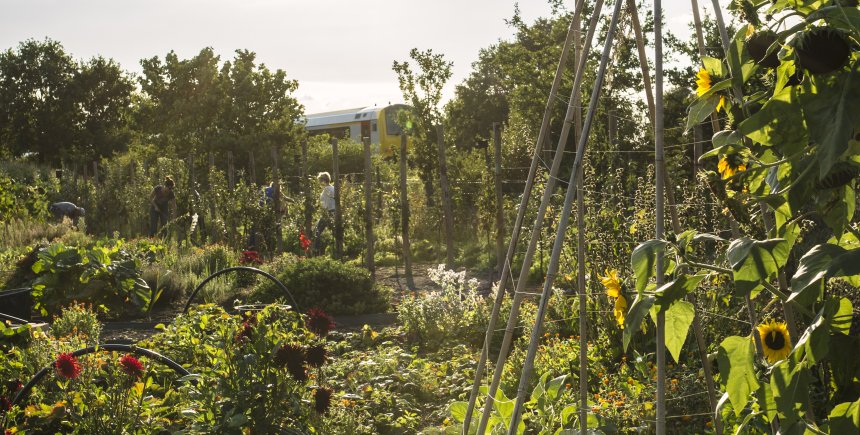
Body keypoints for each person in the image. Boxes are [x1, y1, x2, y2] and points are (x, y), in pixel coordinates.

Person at [312, 172, 336, 255]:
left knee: (317, 231)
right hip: (334, 211)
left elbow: (325, 203)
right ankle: (335, 251)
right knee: (334, 232)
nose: (319, 183)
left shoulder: (326, 190)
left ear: (323, 180)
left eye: (320, 180)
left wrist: (322, 212)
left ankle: (317, 251)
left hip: (328, 212)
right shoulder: (333, 188)